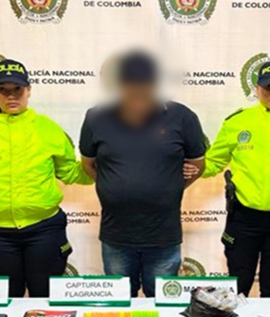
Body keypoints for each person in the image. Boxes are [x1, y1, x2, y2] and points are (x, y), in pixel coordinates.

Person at [0, 59, 92, 298]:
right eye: (3, 90)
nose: (11, 96)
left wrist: (103, 166)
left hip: (44, 229)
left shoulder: (48, 129)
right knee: (5, 299)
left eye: (17, 89)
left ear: (28, 90)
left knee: (46, 297)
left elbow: (69, 171)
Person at [185, 60, 270, 298]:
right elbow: (214, 161)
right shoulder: (237, 122)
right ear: (257, 89)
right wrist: (191, 168)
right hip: (244, 218)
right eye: (269, 87)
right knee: (238, 285)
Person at [79, 51, 207, 298]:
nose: (138, 93)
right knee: (120, 302)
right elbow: (89, 164)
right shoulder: (96, 118)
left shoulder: (182, 117)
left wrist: (169, 185)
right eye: (131, 87)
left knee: (161, 302)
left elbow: (197, 164)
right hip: (116, 236)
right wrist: (114, 184)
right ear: (120, 85)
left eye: (144, 87)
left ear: (154, 84)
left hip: (163, 236)